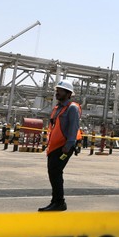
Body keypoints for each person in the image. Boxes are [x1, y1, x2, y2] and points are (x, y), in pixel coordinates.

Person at [39, 79, 81, 212]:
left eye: (60, 91)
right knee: (53, 173)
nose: (57, 93)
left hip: (64, 147)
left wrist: (68, 146)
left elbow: (73, 128)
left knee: (55, 172)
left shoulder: (72, 108)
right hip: (54, 146)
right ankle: (56, 201)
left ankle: (59, 202)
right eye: (57, 90)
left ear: (68, 94)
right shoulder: (57, 108)